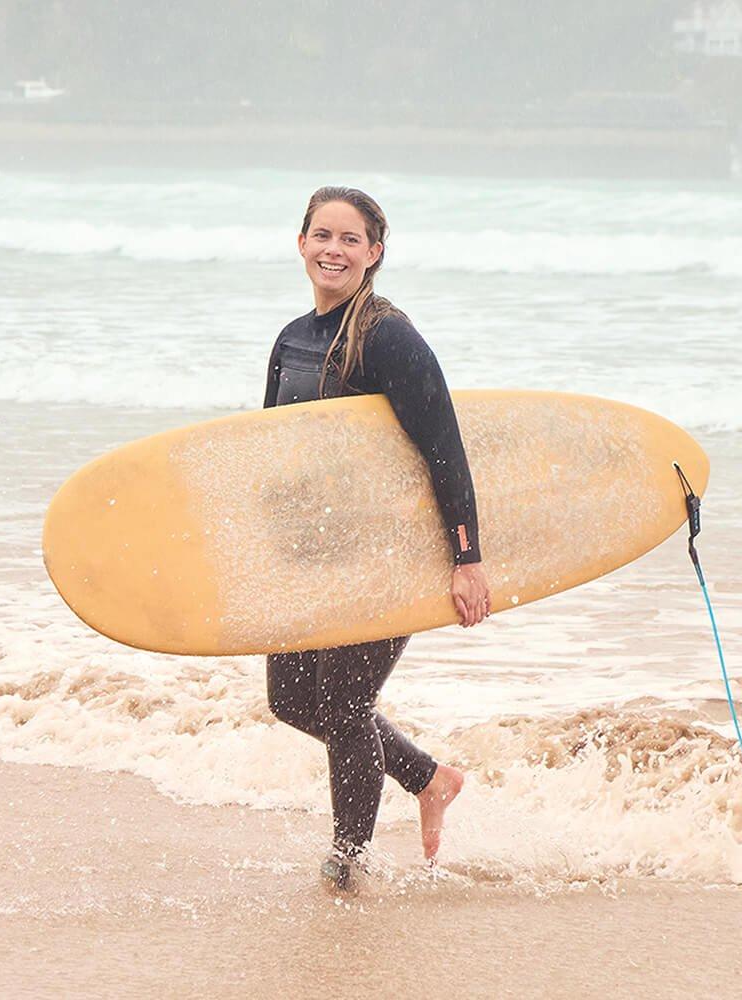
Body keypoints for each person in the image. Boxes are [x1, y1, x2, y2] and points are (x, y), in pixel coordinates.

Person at [261, 187, 476, 890]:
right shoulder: (293, 339)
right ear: (300, 243)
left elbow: (445, 446)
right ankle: (429, 778)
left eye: (351, 239)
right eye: (322, 234)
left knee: (345, 705)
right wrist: (264, 551)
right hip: (315, 552)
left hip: (388, 551)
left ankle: (347, 859)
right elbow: (272, 452)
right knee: (292, 697)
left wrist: (466, 557)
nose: (334, 249)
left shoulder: (386, 336)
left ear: (374, 253)